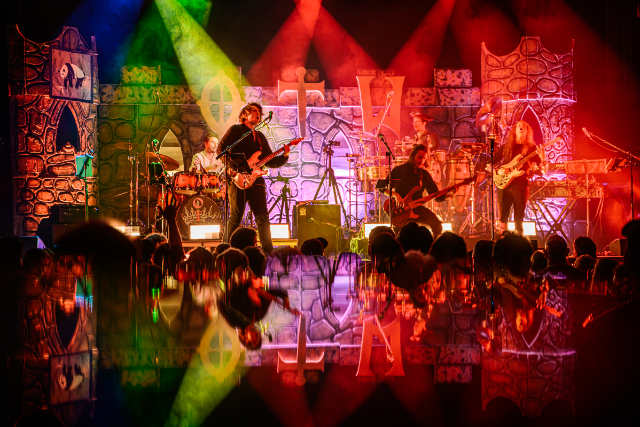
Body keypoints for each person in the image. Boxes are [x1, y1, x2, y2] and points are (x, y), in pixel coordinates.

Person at [217, 103, 290, 254]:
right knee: (236, 216)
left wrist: (285, 155)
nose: (258, 114)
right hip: (237, 178)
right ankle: (224, 251)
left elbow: (269, 160)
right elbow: (221, 150)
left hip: (256, 181)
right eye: (255, 111)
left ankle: (268, 253)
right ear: (245, 114)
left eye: (259, 112)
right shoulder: (236, 130)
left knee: (262, 216)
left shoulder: (260, 137)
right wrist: (236, 168)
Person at [494, 120, 547, 235]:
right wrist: (498, 170)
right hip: (504, 185)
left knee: (519, 218)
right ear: (515, 130)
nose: (521, 126)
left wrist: (543, 158)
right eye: (519, 125)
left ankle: (519, 240)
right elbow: (490, 163)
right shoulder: (506, 147)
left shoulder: (532, 149)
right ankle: (501, 239)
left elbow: (543, 171)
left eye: (524, 126)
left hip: (521, 186)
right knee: (503, 218)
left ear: (527, 131)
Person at [387, 144, 450, 236]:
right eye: (419, 157)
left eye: (424, 158)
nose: (421, 161)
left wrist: (448, 195)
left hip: (417, 209)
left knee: (437, 226)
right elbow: (382, 187)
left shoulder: (425, 175)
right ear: (413, 155)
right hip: (401, 211)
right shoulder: (399, 170)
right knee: (399, 234)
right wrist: (396, 195)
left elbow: (435, 195)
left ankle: (432, 244)